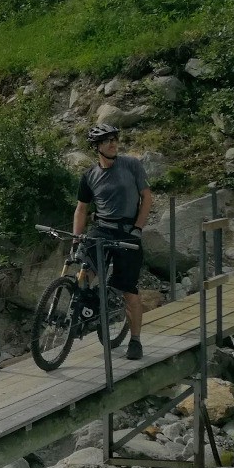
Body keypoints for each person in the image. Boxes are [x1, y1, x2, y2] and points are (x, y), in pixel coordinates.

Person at [72, 122, 153, 360]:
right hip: (102, 230)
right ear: (97, 147)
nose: (113, 144)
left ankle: (135, 340)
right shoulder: (89, 175)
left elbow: (147, 198)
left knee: (128, 290)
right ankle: (87, 312)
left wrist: (138, 228)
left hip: (128, 231)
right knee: (84, 271)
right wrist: (76, 239)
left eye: (115, 140)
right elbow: (81, 209)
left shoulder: (132, 165)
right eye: (107, 141)